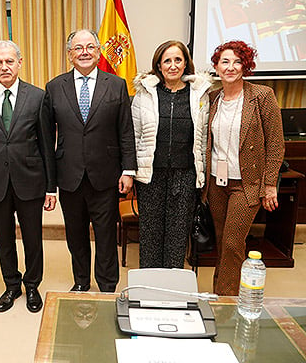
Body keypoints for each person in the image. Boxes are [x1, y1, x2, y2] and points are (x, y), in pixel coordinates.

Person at [44, 29, 137, 292]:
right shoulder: (54, 87)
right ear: (70, 55)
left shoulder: (116, 84)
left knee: (106, 235)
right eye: (78, 48)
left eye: (90, 47)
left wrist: (128, 170)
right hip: (69, 176)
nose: (84, 52)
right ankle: (81, 281)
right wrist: (50, 184)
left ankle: (107, 285)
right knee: (75, 236)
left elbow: (126, 130)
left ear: (98, 52)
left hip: (106, 175)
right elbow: (47, 138)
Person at [0, 40, 57, 313]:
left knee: (32, 238)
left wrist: (51, 188)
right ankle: (11, 285)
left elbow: (46, 144)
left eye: (9, 61)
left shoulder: (38, 96)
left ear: (20, 62)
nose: (4, 67)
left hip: (30, 179)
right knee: (3, 238)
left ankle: (32, 285)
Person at [206, 40, 284, 296]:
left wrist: (270, 184)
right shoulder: (212, 98)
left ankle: (225, 305)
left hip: (246, 184)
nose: (230, 67)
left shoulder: (261, 96)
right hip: (217, 183)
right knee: (222, 243)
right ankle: (220, 294)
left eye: (237, 61)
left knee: (232, 243)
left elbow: (275, 142)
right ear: (216, 66)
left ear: (246, 65)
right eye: (225, 62)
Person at [132, 40, 212, 268]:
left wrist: (202, 176)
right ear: (158, 65)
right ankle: (148, 288)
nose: (173, 65)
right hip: (151, 176)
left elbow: (204, 137)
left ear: (186, 63)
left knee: (177, 237)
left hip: (185, 176)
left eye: (178, 59)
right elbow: (134, 135)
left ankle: (171, 291)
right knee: (150, 236)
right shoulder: (144, 95)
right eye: (167, 60)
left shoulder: (200, 95)